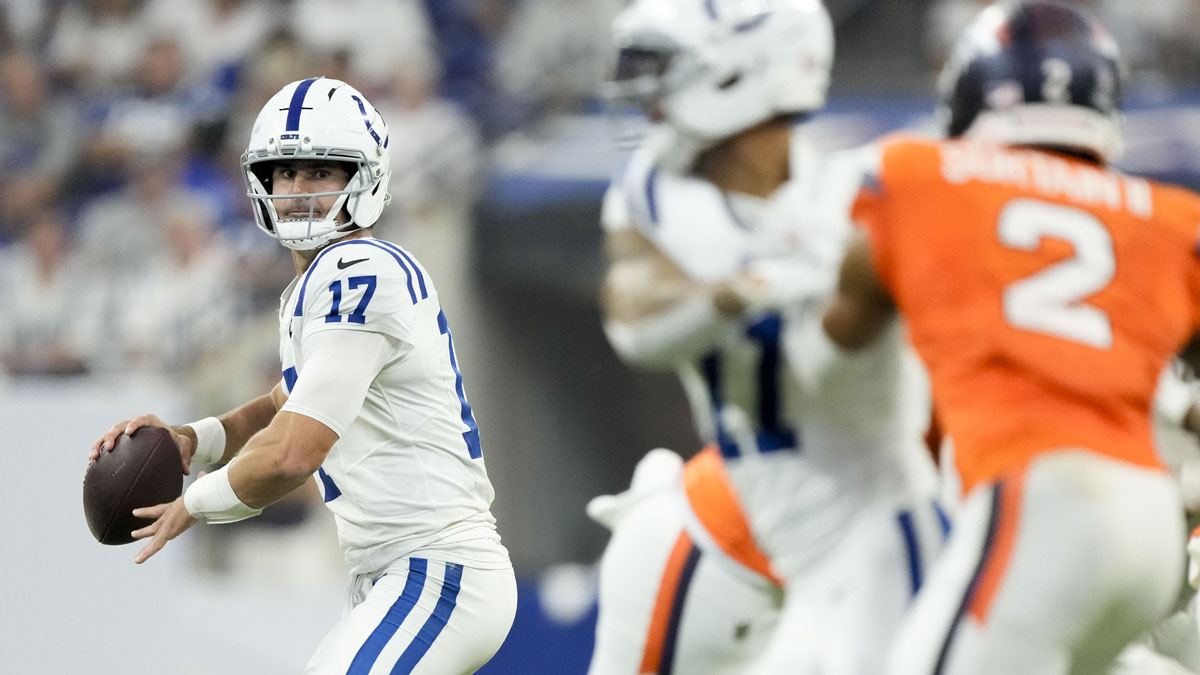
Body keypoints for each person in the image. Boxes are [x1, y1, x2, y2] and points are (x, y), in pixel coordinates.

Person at [88, 77, 515, 675]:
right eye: (284, 174)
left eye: (319, 173)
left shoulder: (358, 270)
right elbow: (281, 403)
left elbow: (293, 454)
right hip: (398, 576)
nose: (296, 192)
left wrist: (196, 501)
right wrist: (195, 439)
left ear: (365, 179)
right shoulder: (321, 283)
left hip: (437, 574)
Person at [820, 2, 1200, 672]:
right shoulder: (1171, 219)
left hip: (1039, 494)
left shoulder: (922, 174)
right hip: (1150, 522)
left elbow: (841, 331)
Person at [587, 1, 944, 673]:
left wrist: (854, 287)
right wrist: (748, 287)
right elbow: (635, 320)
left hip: (881, 537)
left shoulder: (859, 196)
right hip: (791, 548)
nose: (649, 103)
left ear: (746, 71)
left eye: (669, 73)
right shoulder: (656, 193)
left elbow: (831, 366)